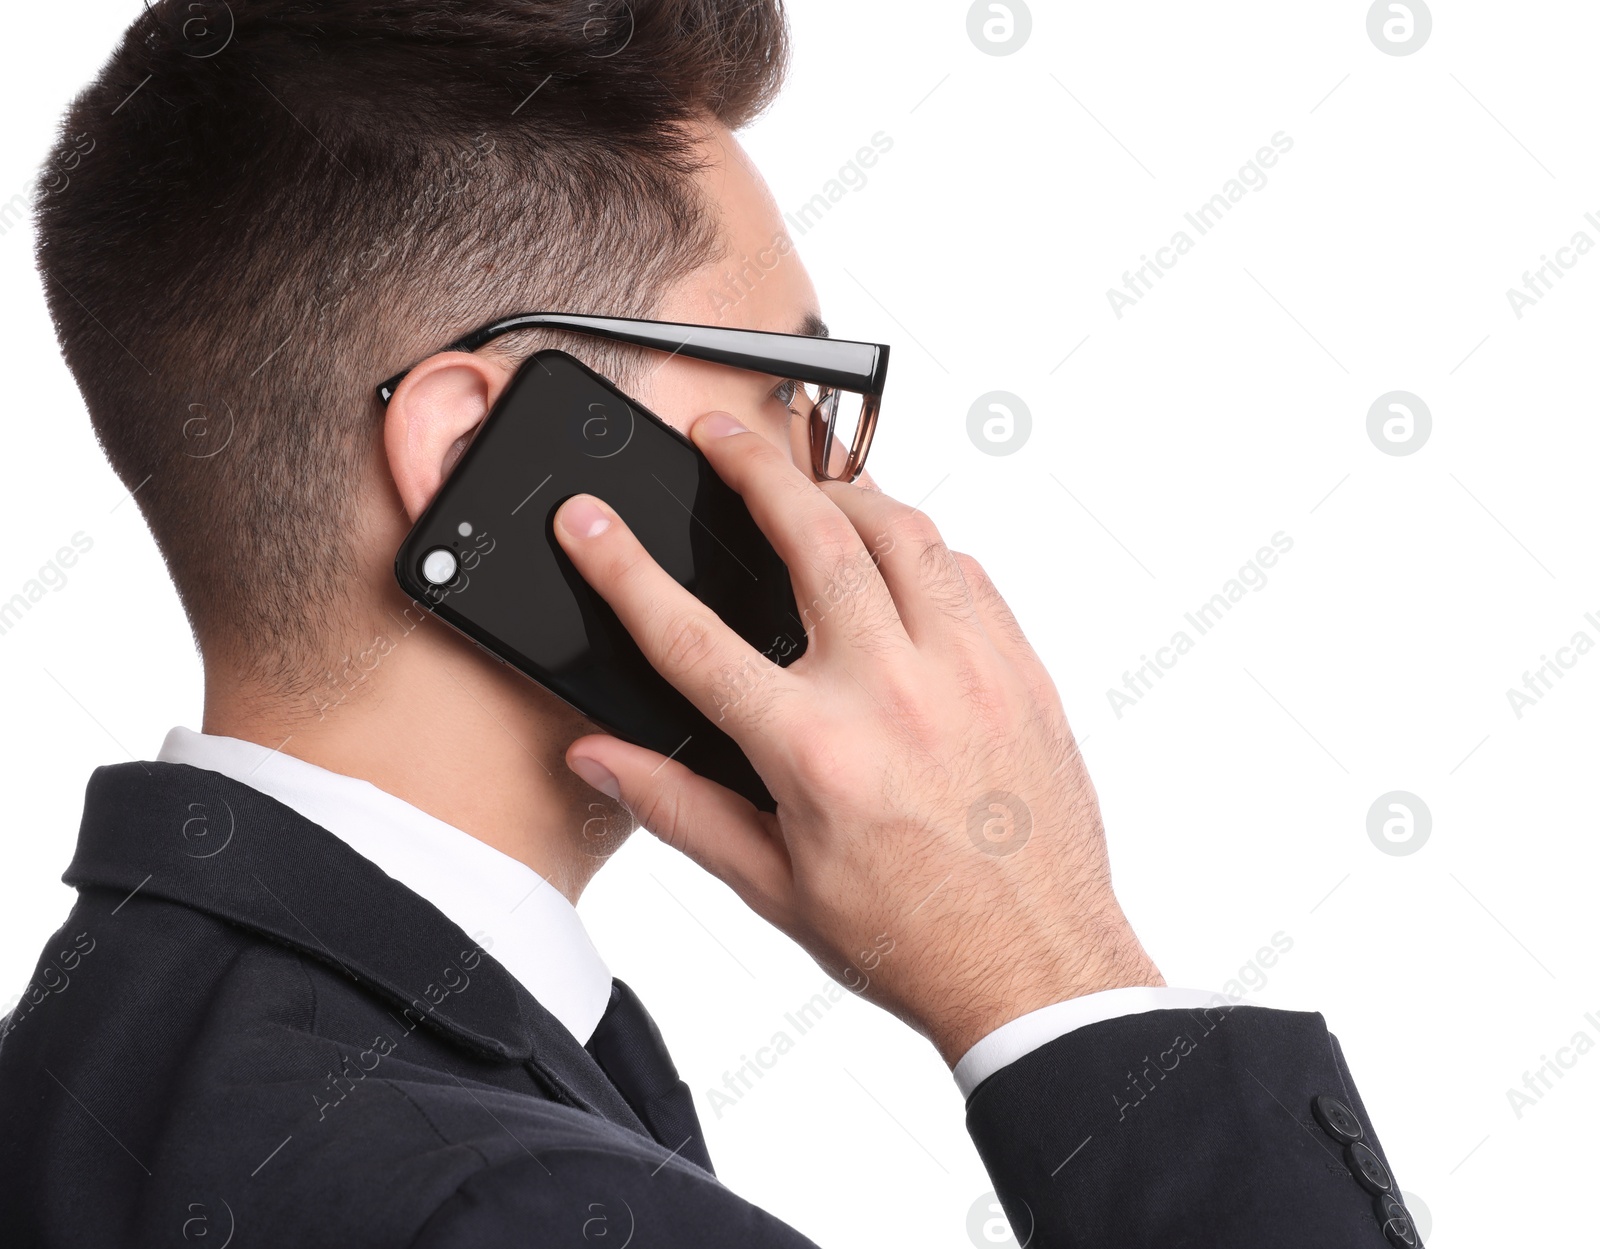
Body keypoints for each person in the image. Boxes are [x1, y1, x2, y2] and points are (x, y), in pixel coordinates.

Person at [0, 2, 1422, 1245]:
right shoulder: (504, 1206)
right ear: (476, 463)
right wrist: (1050, 968)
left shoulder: (73, 1069)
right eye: (787, 391)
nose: (840, 484)